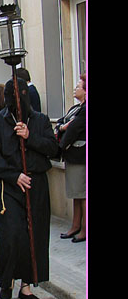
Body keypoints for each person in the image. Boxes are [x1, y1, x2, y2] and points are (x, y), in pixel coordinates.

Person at [0, 78, 59, 299]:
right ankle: (7, 282)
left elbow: (53, 149)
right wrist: (14, 175)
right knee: (12, 235)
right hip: (9, 187)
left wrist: (29, 137)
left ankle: (27, 285)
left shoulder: (41, 120)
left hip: (35, 186)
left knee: (33, 236)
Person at [55, 74, 86, 243]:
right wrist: (62, 127)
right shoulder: (76, 108)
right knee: (76, 193)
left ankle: (84, 228)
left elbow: (73, 129)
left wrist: (58, 148)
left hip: (80, 156)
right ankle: (76, 225)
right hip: (72, 155)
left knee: (82, 193)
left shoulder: (84, 110)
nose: (75, 88)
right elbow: (62, 122)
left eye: (78, 86)